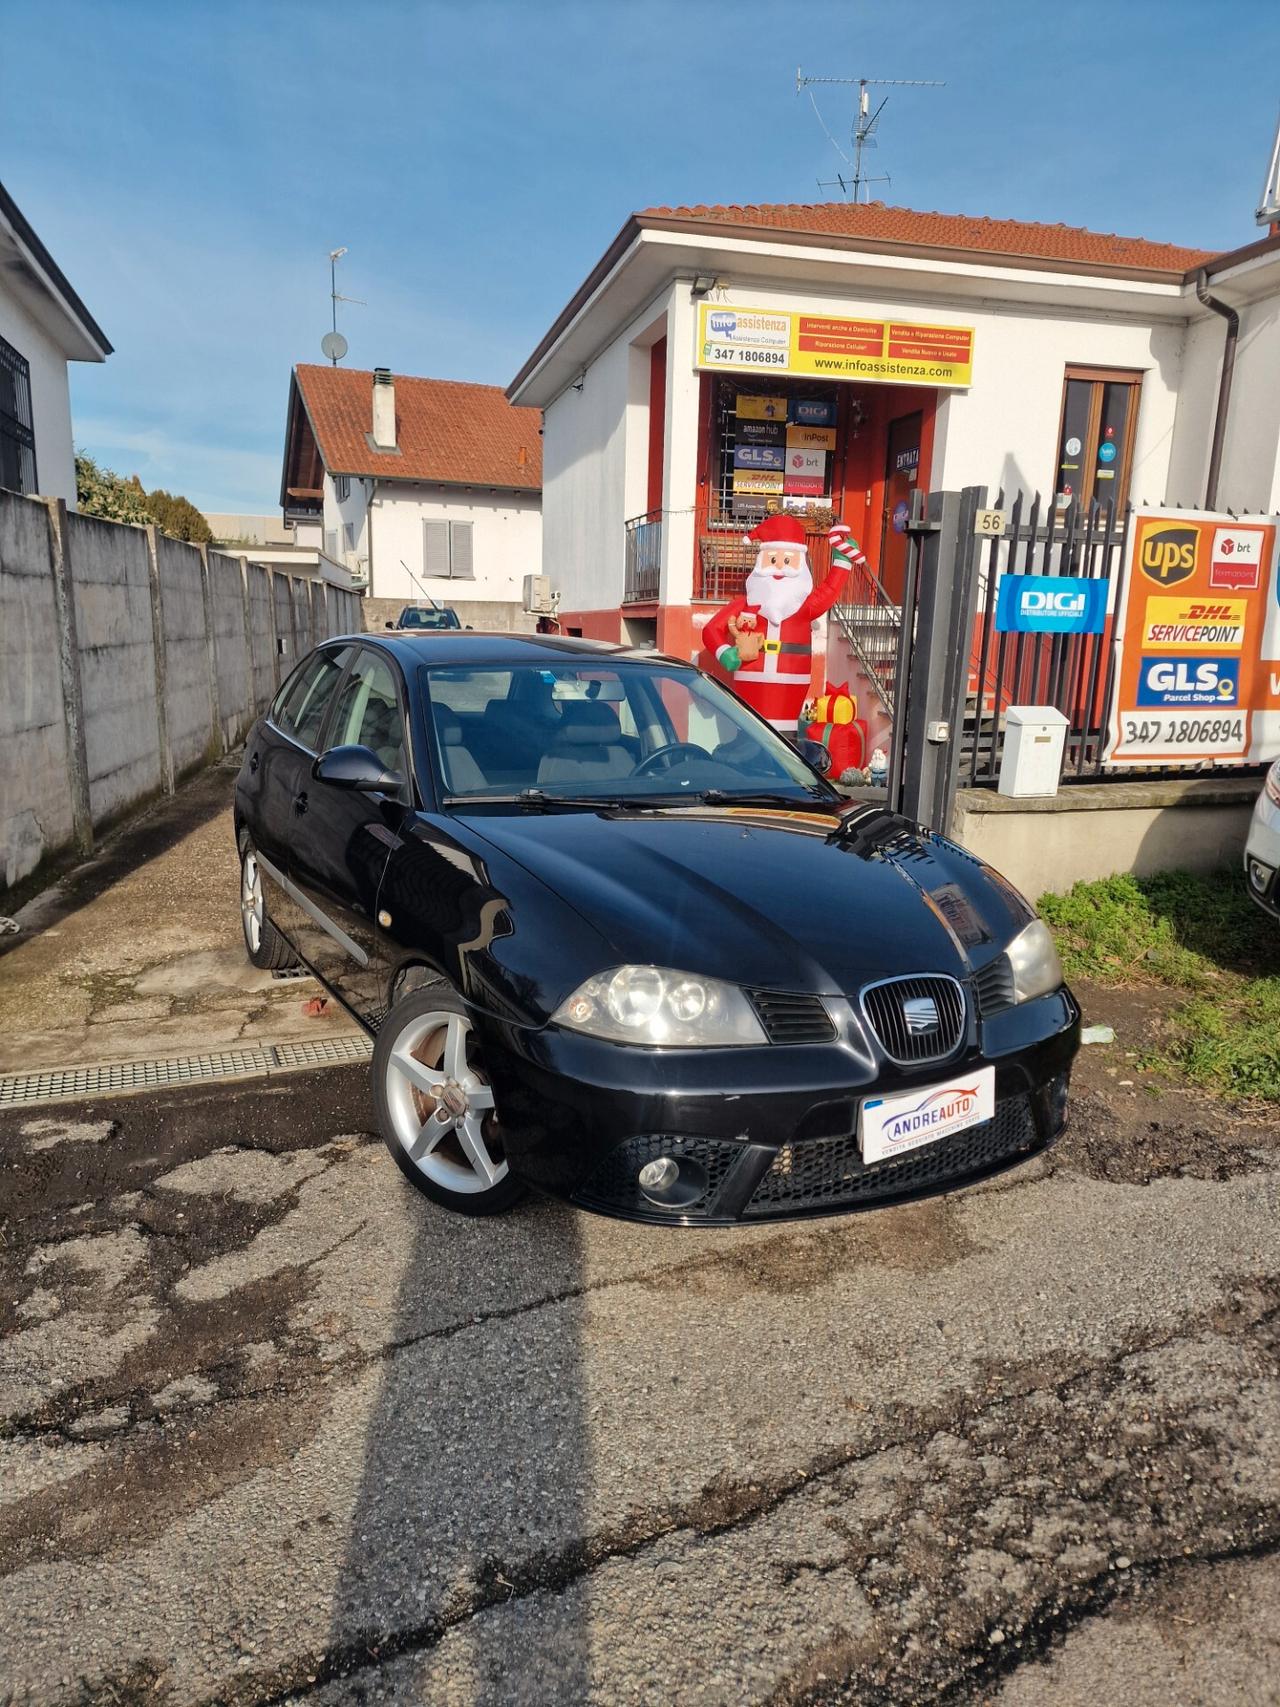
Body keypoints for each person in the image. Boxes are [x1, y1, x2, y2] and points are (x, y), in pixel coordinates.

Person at [702, 513, 866, 732]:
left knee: (784, 736)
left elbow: (829, 591)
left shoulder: (803, 606)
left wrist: (841, 562)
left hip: (792, 680)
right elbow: (711, 629)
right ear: (761, 562)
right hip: (751, 680)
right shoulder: (747, 603)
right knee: (751, 731)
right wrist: (724, 652)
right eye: (772, 560)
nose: (779, 567)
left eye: (787, 560)